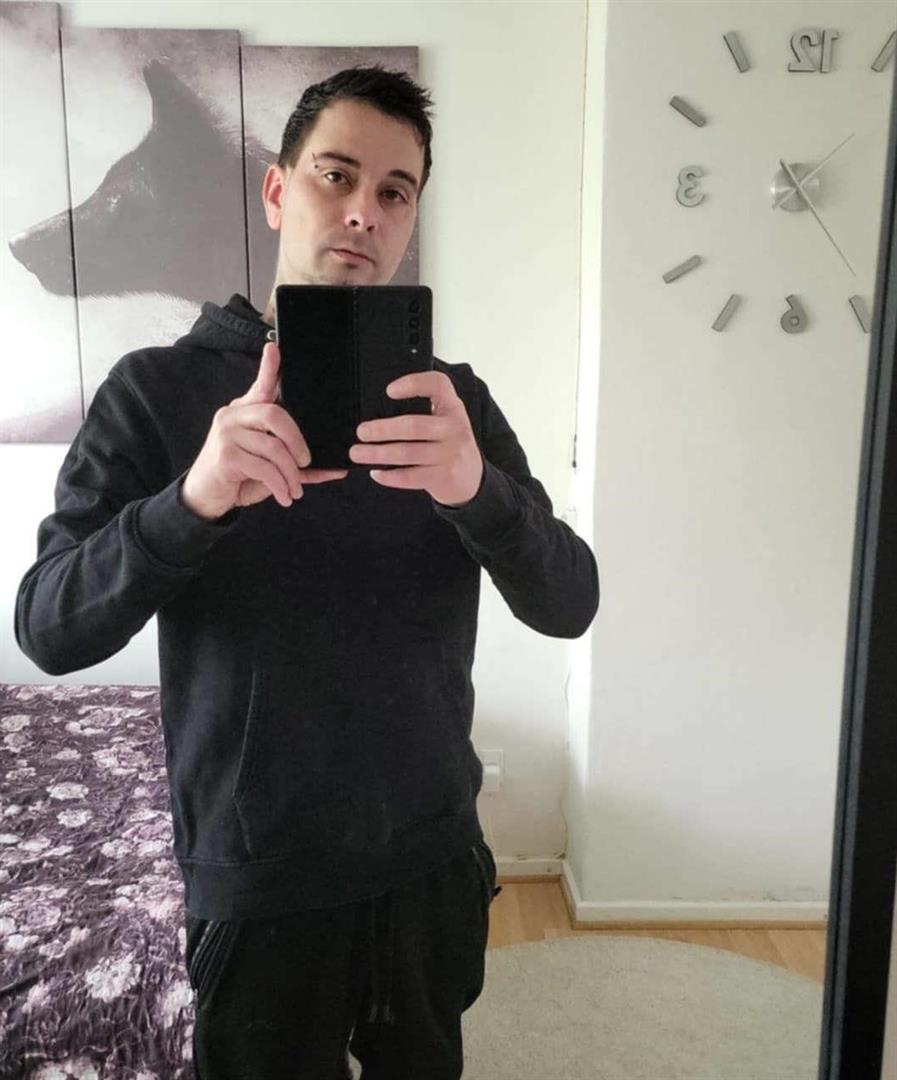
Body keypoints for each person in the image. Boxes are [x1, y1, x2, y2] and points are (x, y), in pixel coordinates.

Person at [14, 66, 599, 1079]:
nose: (365, 211)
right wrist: (191, 500)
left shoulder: (451, 403)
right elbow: (49, 629)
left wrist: (476, 492)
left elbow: (569, 601)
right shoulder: (156, 393)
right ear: (279, 190)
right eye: (337, 175)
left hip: (429, 856)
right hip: (260, 873)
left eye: (395, 190)